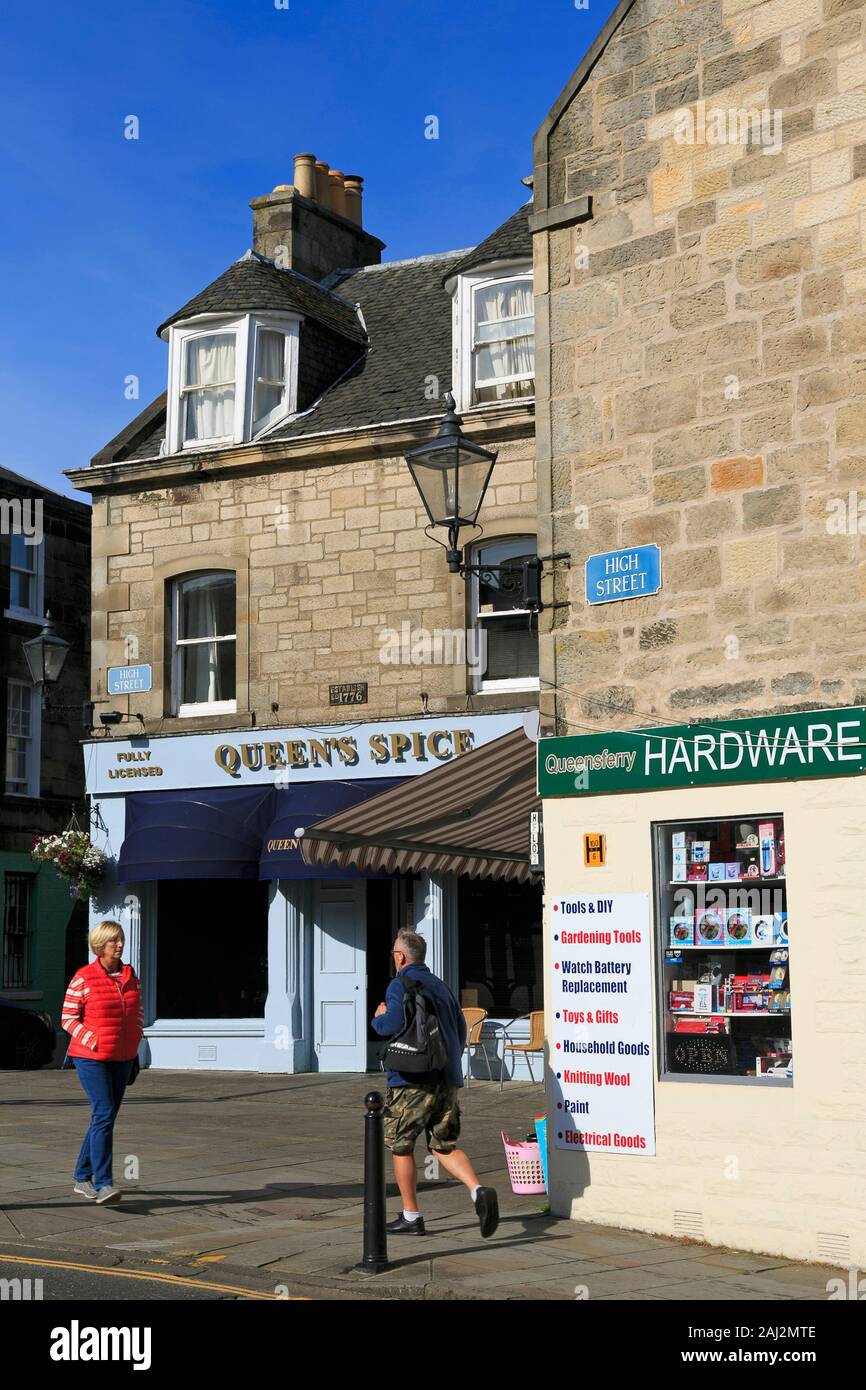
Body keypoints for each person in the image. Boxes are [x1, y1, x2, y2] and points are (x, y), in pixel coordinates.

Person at [371, 930, 499, 1238]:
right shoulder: (442, 986)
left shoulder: (398, 984)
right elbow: (459, 1028)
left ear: (400, 957)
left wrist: (379, 1017)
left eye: (393, 954)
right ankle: (477, 1190)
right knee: (443, 1144)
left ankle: (411, 1215)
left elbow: (391, 1025)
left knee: (401, 1145)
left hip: (412, 1078)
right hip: (447, 1077)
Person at [61, 920, 144, 1205]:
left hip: (122, 1057)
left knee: (103, 1118)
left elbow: (138, 1011)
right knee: (104, 1114)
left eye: (121, 939)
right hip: (90, 1057)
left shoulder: (131, 977)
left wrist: (136, 1037)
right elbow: (68, 1018)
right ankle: (104, 1184)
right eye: (113, 941)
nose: (119, 945)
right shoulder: (83, 977)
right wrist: (92, 1039)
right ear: (99, 945)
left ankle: (81, 1177)